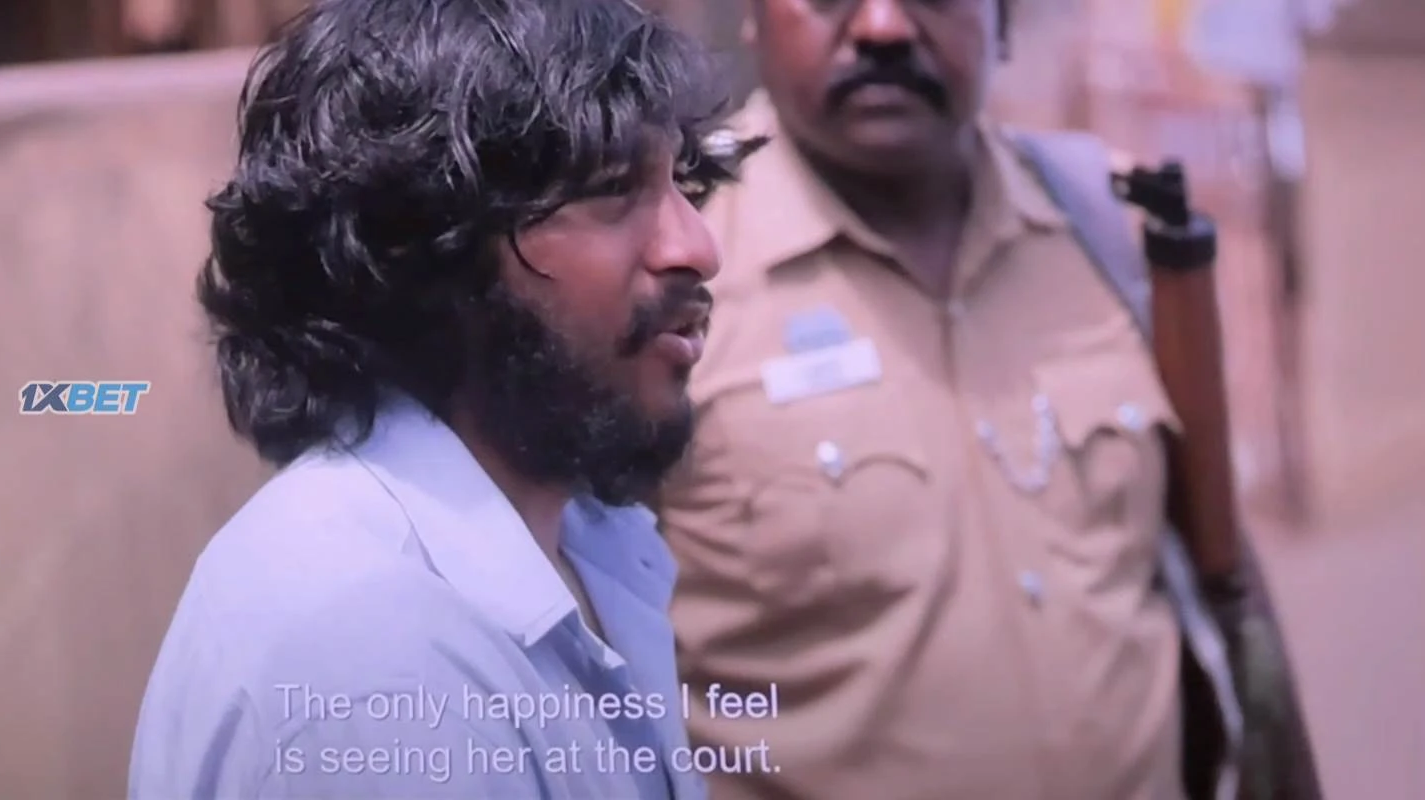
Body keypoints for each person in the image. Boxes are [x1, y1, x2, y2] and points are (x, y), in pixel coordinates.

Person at [658, 0, 1313, 798]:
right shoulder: (663, 267)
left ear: (1001, 19)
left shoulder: (1107, 224)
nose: (884, 27)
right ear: (756, 16)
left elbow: (1217, 567)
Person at [129, 0, 747, 797]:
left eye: (684, 182)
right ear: (424, 247)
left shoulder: (586, 542)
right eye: (610, 189)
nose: (696, 247)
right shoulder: (369, 653)